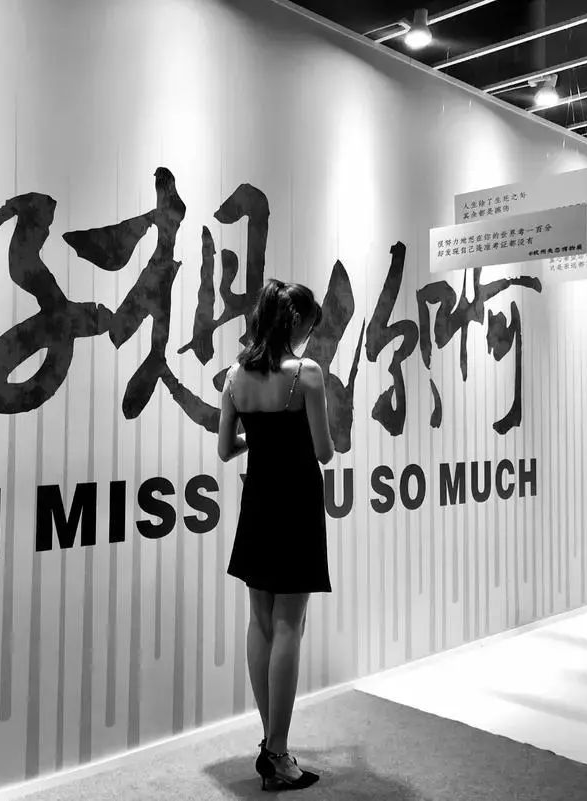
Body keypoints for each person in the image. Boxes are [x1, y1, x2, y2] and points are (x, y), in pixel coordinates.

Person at [218, 278, 334, 792]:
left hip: (258, 501)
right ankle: (278, 754)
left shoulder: (233, 376)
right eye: (309, 324)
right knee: (290, 624)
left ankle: (271, 744)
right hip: (296, 502)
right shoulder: (306, 374)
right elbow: (325, 451)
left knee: (260, 620)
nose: (310, 334)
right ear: (296, 321)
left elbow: (227, 449)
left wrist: (260, 436)